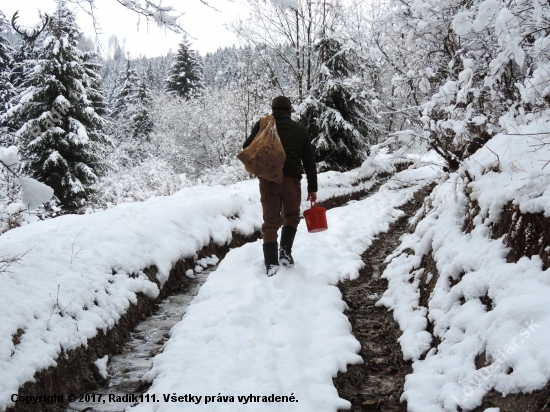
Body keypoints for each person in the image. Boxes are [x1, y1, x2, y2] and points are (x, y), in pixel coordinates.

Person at [242, 96, 318, 275]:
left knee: (270, 222)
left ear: (273, 109)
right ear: (289, 111)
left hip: (268, 180)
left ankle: (271, 263)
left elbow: (247, 147)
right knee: (291, 215)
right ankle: (285, 252)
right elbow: (309, 161)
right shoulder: (300, 130)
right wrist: (312, 188)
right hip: (291, 181)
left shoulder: (264, 126)